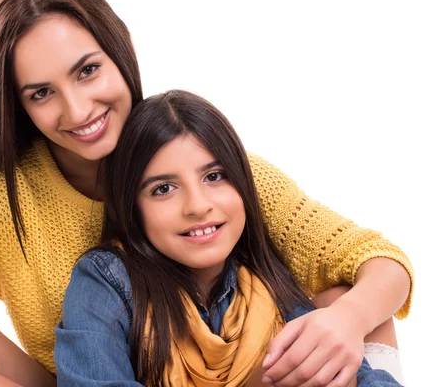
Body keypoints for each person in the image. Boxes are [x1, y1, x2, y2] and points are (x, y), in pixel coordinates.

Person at [0, 0, 412, 386]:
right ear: (17, 106)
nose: (78, 108)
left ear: (120, 55)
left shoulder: (200, 163)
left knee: (348, 298)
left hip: (216, 371)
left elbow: (376, 258)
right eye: (42, 93)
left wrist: (346, 318)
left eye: (88, 70)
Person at [55, 89, 402, 386]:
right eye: (163, 188)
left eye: (214, 176)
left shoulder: (266, 286)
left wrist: (348, 322)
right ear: (132, 207)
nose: (198, 206)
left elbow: (357, 375)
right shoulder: (105, 281)